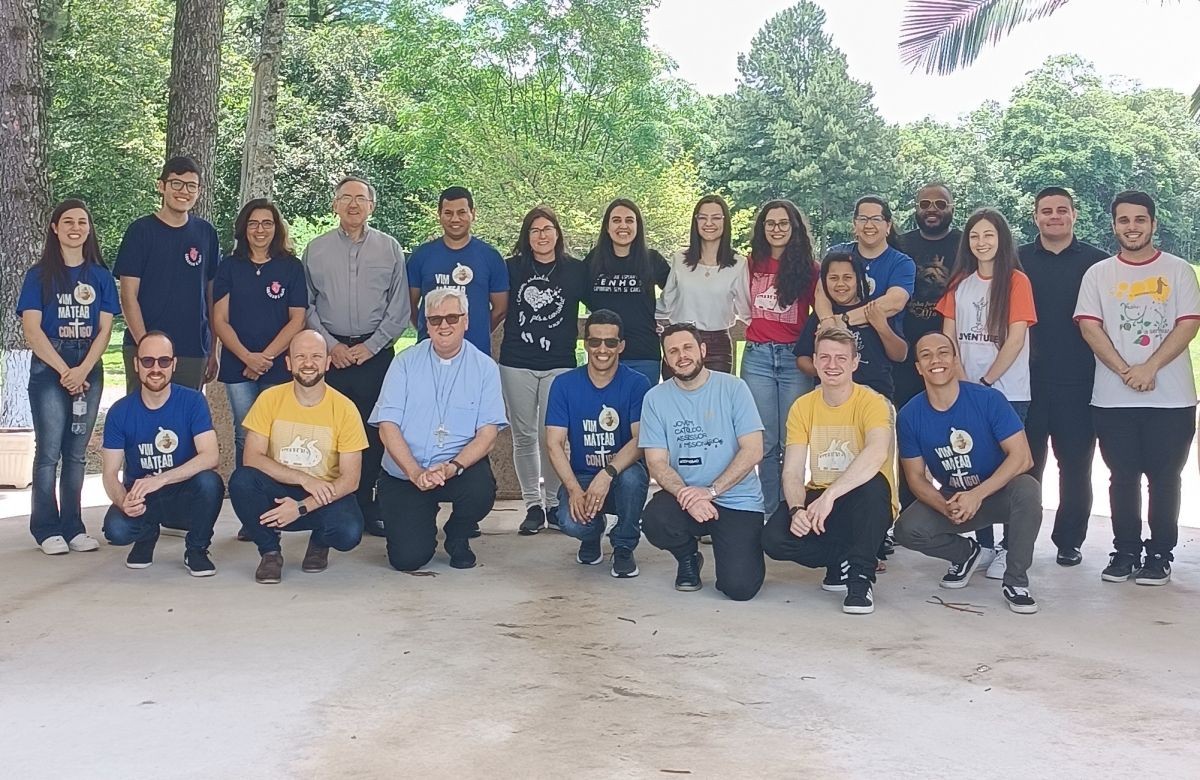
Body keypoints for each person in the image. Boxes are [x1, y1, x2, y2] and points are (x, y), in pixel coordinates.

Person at [1075, 190, 1200, 586]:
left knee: (1165, 478)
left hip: (1172, 397)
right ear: (1114, 225)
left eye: (1140, 220)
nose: (1132, 227)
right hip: (1113, 397)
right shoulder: (1099, 273)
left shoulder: (1179, 270)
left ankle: (1160, 554)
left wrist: (1150, 367)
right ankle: (1125, 550)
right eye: (1124, 220)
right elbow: (1089, 326)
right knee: (1122, 477)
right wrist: (1126, 370)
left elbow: (1188, 323)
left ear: (1153, 224)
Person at [893, 332, 1042, 614]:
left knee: (1028, 489)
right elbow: (915, 477)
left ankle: (1016, 581)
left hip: (997, 493)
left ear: (955, 359)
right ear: (918, 368)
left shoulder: (988, 400)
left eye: (943, 353)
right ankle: (967, 554)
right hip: (954, 498)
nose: (935, 360)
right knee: (907, 529)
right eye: (926, 355)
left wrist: (977, 495)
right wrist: (944, 505)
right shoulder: (910, 414)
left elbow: (1023, 457)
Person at [370, 287, 508, 572]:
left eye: (452, 318)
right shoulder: (404, 362)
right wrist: (415, 472)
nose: (444, 325)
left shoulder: (485, 368)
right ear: (426, 324)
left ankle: (457, 534)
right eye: (435, 320)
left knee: (481, 490)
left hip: (457, 469)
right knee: (407, 560)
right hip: (406, 472)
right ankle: (420, 519)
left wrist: (452, 467)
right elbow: (387, 426)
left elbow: (488, 434)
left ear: (466, 321)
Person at [303, 175, 410, 537]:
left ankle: (367, 502)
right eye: (345, 198)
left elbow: (399, 307)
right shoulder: (315, 250)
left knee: (373, 431)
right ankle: (332, 502)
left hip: (375, 354)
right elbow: (307, 304)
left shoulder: (390, 248)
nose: (352, 204)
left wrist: (372, 345)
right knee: (330, 431)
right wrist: (331, 345)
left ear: (371, 206)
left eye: (360, 199)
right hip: (330, 356)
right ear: (334, 205)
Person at [763, 328, 895, 614]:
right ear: (814, 361)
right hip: (822, 499)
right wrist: (798, 508)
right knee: (773, 538)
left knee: (874, 487)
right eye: (824, 357)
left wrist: (831, 495)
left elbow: (876, 453)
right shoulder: (802, 406)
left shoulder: (872, 402)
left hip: (863, 501)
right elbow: (793, 472)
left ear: (854, 363)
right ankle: (841, 559)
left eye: (840, 358)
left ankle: (860, 577)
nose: (832, 365)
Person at [936, 208, 1037, 579]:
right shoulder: (960, 282)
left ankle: (1010, 547)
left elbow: (1015, 338)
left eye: (989, 235)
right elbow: (948, 334)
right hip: (964, 389)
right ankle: (982, 543)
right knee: (971, 468)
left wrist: (988, 382)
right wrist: (959, 376)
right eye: (975, 236)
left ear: (1002, 239)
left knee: (1006, 470)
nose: (982, 242)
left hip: (1006, 391)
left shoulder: (1016, 282)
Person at [18, 199, 119, 555]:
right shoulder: (39, 275)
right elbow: (32, 330)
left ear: (89, 230)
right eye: (68, 222)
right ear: (55, 228)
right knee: (48, 452)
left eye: (82, 222)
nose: (76, 228)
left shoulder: (101, 277)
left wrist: (83, 369)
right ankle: (46, 528)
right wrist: (65, 371)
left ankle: (73, 527)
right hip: (50, 368)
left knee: (76, 454)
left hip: (87, 365)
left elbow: (105, 330)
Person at [228, 331, 367, 584]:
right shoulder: (270, 398)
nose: (308, 363)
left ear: (327, 362)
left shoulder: (345, 408)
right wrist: (303, 479)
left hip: (323, 494)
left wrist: (302, 506)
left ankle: (320, 541)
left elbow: (350, 480)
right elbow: (252, 458)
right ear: (289, 363)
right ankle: (270, 551)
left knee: (348, 531)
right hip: (278, 486)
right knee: (242, 481)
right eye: (300, 356)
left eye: (316, 356)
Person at [640, 324, 766, 601]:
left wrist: (710, 492)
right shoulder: (655, 399)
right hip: (686, 498)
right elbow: (657, 463)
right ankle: (688, 558)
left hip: (736, 499)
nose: (681, 356)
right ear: (666, 358)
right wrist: (690, 496)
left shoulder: (734, 388)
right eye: (672, 351)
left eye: (687, 348)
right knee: (655, 519)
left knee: (740, 588)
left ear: (703, 350)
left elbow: (753, 450)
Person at [1020, 187, 1109, 566]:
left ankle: (1069, 540)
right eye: (1046, 211)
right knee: (1025, 467)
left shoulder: (1097, 263)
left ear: (1074, 214)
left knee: (1074, 466)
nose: (1053, 217)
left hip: (1079, 380)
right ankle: (1018, 539)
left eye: (1061, 210)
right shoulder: (1018, 259)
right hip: (1027, 381)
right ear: (1036, 216)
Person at [100, 332, 224, 576]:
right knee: (117, 530)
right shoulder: (119, 412)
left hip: (182, 492)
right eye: (147, 361)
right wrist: (123, 501)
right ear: (136, 364)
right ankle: (146, 537)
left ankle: (197, 549)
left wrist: (161, 478)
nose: (155, 368)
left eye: (163, 361)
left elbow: (211, 456)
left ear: (174, 364)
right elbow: (109, 473)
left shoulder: (193, 401)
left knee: (211, 483)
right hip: (143, 498)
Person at [498, 205, 588, 535]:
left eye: (547, 229)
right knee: (524, 437)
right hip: (517, 362)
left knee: (553, 438)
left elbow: (602, 304)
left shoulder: (575, 271)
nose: (542, 236)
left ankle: (553, 501)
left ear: (557, 233)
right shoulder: (511, 268)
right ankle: (533, 505)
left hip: (560, 364)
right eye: (535, 230)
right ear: (527, 236)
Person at [545, 310, 651, 577]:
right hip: (581, 475)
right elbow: (554, 444)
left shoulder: (637, 383)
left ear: (621, 345)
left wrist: (607, 473)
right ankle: (591, 536)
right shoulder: (564, 384)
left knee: (632, 479)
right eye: (595, 341)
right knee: (569, 522)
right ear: (585, 344)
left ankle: (624, 546)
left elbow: (640, 440)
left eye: (611, 342)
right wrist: (573, 490)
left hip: (622, 473)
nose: (602, 349)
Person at [212, 199, 307, 468]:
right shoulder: (229, 266)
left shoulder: (291, 267)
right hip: (237, 366)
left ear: (277, 228)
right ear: (244, 229)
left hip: (278, 365)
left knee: (278, 436)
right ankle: (248, 498)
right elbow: (220, 320)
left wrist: (264, 358)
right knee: (246, 435)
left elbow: (297, 318)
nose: (260, 230)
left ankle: (276, 499)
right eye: (253, 224)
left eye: (267, 223)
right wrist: (247, 358)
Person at [114, 156, 220, 393]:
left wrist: (213, 348)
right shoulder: (140, 232)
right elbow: (128, 296)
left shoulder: (206, 234)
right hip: (145, 348)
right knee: (142, 421)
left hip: (192, 349)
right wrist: (146, 347)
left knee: (186, 423)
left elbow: (211, 298)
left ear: (199, 191)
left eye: (191, 186)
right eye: (177, 183)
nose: (184, 191)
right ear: (161, 186)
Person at [741, 200, 819, 514]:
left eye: (783, 223)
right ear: (762, 228)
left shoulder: (808, 269)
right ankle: (769, 512)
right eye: (770, 223)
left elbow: (822, 311)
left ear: (794, 228)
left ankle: (792, 508)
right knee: (766, 441)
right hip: (757, 357)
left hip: (793, 360)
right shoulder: (749, 264)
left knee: (793, 440)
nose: (776, 229)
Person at [408, 185, 509, 356]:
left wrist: (475, 330)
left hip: (475, 352)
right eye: (448, 213)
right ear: (439, 215)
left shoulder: (490, 257)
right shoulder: (422, 255)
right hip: (430, 352)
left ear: (473, 214)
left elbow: (500, 309)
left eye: (462, 212)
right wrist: (430, 328)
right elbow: (408, 304)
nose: (455, 219)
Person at [655, 195, 750, 377]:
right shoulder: (680, 259)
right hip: (679, 340)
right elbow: (666, 302)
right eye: (703, 217)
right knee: (675, 401)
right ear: (695, 221)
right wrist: (645, 317)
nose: (709, 223)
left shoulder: (738, 264)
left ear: (725, 222)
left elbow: (745, 310)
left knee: (713, 404)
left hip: (717, 345)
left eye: (716, 218)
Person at [794, 251, 908, 398]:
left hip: (874, 392)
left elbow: (900, 355)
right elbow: (802, 358)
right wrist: (826, 371)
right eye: (833, 278)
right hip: (830, 394)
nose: (840, 284)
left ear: (859, 279)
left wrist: (882, 327)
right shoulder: (821, 316)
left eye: (847, 278)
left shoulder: (875, 309)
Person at [583, 198, 671, 386]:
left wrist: (663, 317)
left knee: (642, 414)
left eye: (629, 220)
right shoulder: (594, 260)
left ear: (638, 226)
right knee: (604, 414)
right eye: (616, 220)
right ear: (607, 227)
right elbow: (580, 293)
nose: (623, 226)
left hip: (643, 354)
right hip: (603, 352)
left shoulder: (652, 259)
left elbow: (678, 293)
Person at [896, 183, 961, 410]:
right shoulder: (900, 244)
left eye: (940, 204)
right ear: (916, 208)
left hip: (953, 350)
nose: (932, 209)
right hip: (904, 352)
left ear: (952, 208)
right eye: (925, 204)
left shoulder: (966, 245)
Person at [816, 195, 915, 337]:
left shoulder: (902, 263)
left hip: (883, 349)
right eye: (863, 219)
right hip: (836, 343)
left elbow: (894, 302)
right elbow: (821, 292)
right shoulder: (837, 253)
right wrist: (827, 322)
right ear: (854, 224)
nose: (869, 225)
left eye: (876, 219)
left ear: (888, 225)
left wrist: (844, 319)